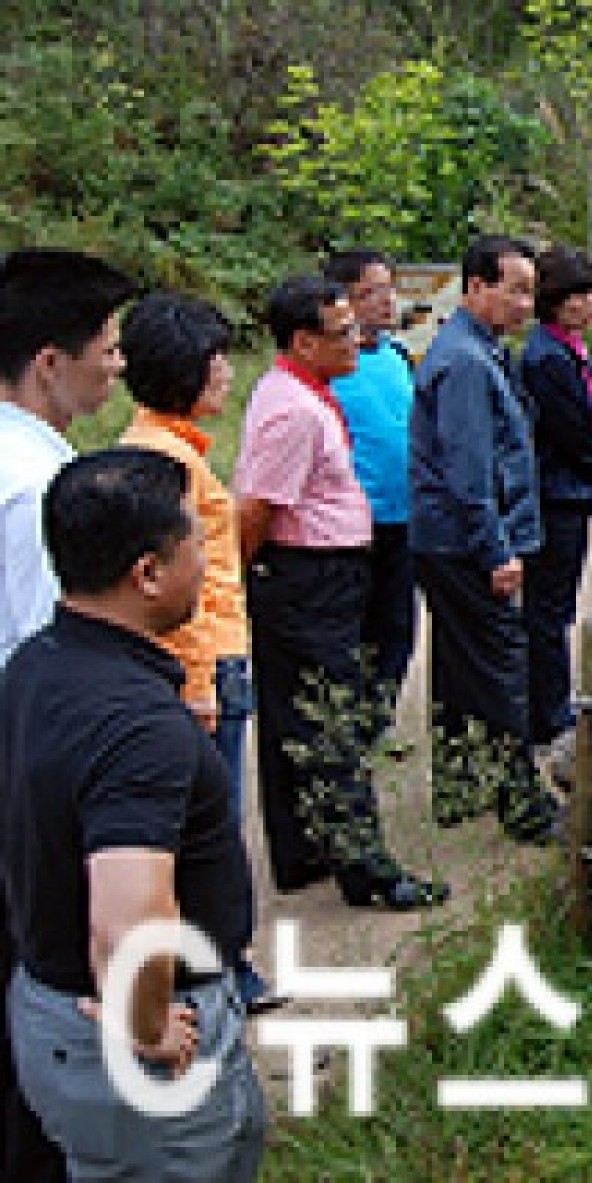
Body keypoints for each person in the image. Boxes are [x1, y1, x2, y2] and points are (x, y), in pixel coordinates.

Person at [0, 447, 266, 1181]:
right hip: (134, 1049)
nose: (209, 564)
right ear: (147, 573)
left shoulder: (35, 665)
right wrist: (146, 1024)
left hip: (53, 1007)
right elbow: (125, 925)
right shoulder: (136, 726)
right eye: (197, 546)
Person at [234, 276, 446, 909]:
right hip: (306, 577)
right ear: (303, 341)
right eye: (343, 332)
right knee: (332, 719)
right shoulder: (292, 410)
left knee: (299, 719)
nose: (358, 341)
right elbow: (257, 510)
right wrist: (263, 577)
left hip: (322, 572)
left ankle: (307, 850)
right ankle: (366, 869)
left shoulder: (307, 393)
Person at [0, 247, 133, 1183]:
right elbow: (49, 661)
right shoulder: (34, 491)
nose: (118, 365)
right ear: (52, 358)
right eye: (110, 346)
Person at [118, 291, 282, 1014]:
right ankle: (216, 968)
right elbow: (166, 583)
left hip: (219, 656)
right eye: (215, 361)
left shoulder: (177, 449)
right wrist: (196, 682)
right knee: (207, 829)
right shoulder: (161, 461)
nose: (225, 374)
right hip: (203, 667)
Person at [411, 234, 562, 844]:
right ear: (477, 286)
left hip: (451, 538)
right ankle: (521, 800)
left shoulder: (479, 351)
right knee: (501, 663)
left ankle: (457, 782)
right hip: (463, 541)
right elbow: (467, 470)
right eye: (515, 289)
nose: (525, 304)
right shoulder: (466, 363)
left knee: (457, 660)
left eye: (531, 292)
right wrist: (496, 549)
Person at [520, 246, 592, 780]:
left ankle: (550, 705)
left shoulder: (568, 351)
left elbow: (591, 414)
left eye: (591, 294)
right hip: (555, 494)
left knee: (557, 602)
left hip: (571, 489)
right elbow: (566, 429)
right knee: (549, 608)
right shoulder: (545, 357)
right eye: (575, 297)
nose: (587, 305)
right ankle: (549, 711)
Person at [323, 250, 418, 725]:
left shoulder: (398, 357)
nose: (385, 302)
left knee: (398, 629)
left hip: (404, 518)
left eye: (389, 289)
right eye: (371, 292)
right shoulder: (334, 369)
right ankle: (351, 730)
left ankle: (377, 723)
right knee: (357, 634)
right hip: (354, 527)